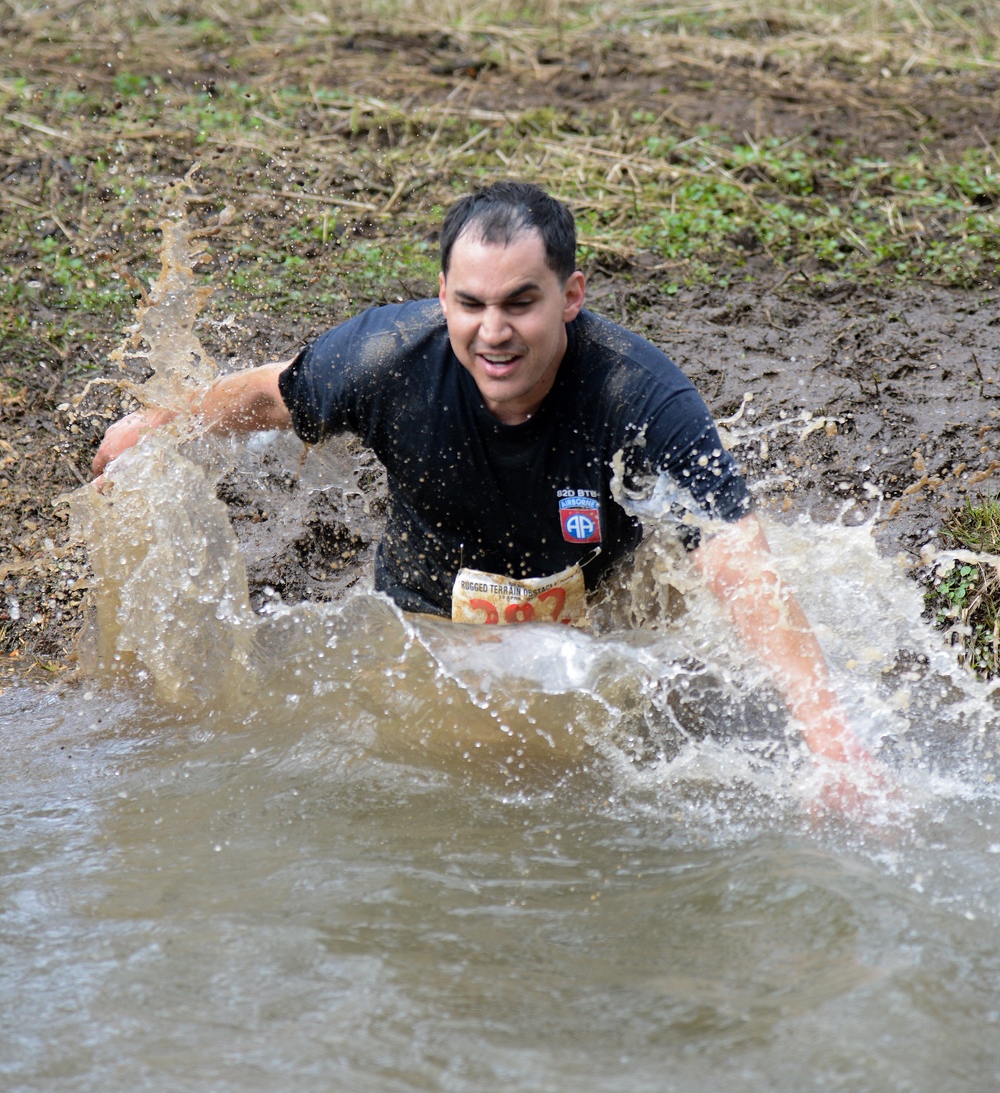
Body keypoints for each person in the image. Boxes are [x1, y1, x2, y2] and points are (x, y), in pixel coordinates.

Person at [93, 181, 891, 811]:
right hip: (426, 626)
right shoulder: (383, 360)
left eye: (520, 302)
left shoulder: (639, 396)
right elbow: (272, 397)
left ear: (570, 296)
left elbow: (734, 557)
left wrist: (833, 744)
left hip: (600, 619)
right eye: (470, 305)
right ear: (442, 295)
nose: (493, 332)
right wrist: (162, 424)